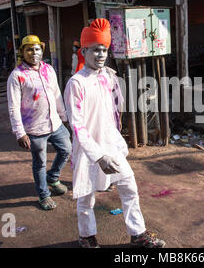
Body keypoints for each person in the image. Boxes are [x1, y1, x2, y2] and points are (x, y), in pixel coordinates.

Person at [64, 18, 165, 248]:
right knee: (86, 197)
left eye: (104, 50)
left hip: (111, 145)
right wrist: (98, 155)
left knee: (129, 188)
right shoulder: (76, 83)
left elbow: (116, 112)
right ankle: (87, 237)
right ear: (84, 51)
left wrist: (117, 143)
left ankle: (138, 233)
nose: (100, 55)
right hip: (89, 149)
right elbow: (77, 126)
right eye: (96, 50)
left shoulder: (110, 76)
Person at [7, 35, 72, 211]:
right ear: (22, 52)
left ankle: (53, 177)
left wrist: (64, 117)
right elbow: (13, 106)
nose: (34, 53)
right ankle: (44, 195)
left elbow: (57, 94)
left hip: (55, 123)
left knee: (67, 149)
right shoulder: (17, 76)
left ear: (41, 51)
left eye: (37, 49)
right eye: (29, 49)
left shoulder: (48, 69)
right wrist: (19, 132)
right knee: (40, 163)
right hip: (34, 129)